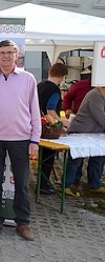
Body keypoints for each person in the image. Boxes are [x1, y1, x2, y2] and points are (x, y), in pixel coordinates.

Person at [0, 40, 41, 241]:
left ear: (17, 55)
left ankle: (23, 222)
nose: (6, 56)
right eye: (2, 53)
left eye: (10, 52)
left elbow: (35, 111)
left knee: (22, 183)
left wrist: (35, 140)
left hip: (21, 139)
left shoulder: (28, 79)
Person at [62, 86, 105, 196]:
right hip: (80, 131)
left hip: (94, 134)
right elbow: (101, 118)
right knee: (76, 158)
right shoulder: (95, 96)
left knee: (98, 157)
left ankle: (95, 184)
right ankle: (66, 185)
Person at [36, 63, 70, 195]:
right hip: (47, 128)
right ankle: (43, 185)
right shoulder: (54, 90)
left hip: (37, 125)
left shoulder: (40, 85)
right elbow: (50, 109)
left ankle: (42, 183)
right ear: (63, 76)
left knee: (41, 157)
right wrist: (62, 121)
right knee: (48, 157)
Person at [62, 72, 93, 186]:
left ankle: (94, 181)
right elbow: (67, 97)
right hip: (79, 123)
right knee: (77, 155)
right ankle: (73, 179)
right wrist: (67, 109)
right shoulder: (80, 85)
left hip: (96, 126)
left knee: (96, 156)